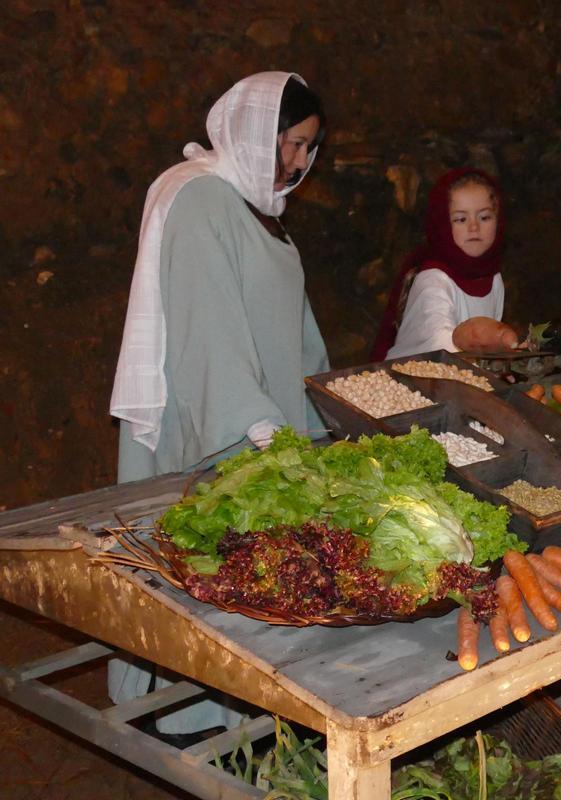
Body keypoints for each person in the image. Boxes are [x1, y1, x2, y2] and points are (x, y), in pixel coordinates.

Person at [108, 71, 330, 735]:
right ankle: (187, 718)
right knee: (205, 571)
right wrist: (260, 429)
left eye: (309, 148)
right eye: (290, 142)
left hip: (264, 429)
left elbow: (291, 326)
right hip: (216, 428)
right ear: (254, 130)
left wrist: (325, 406)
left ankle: (244, 719)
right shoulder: (201, 198)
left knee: (254, 586)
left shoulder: (255, 208)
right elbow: (206, 330)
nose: (298, 162)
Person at [370, 167, 519, 360]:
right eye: (460, 219)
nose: (474, 227)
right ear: (443, 224)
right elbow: (438, 345)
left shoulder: (493, 278)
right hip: (418, 379)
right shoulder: (434, 280)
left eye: (484, 217)